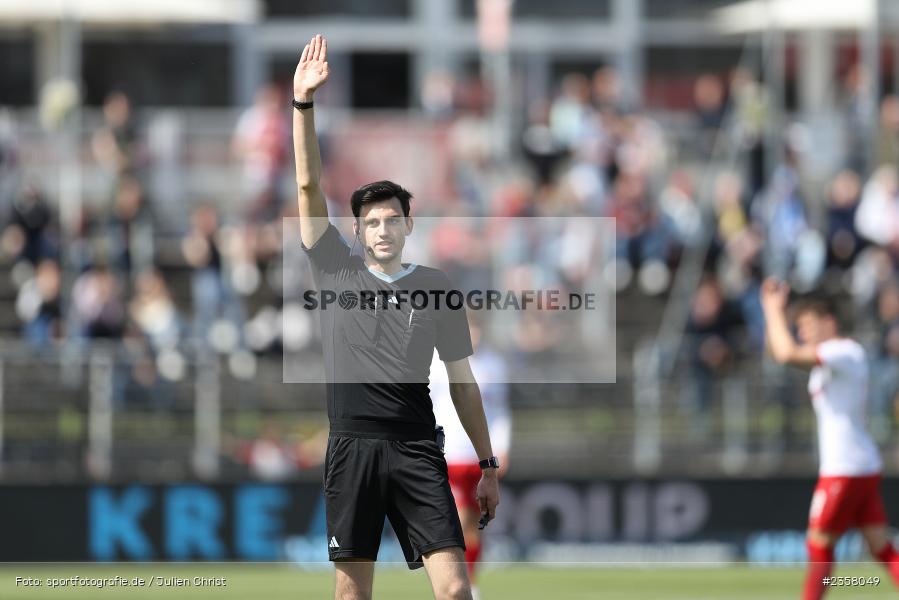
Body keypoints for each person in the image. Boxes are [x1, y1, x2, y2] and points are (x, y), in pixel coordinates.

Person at [293, 34, 499, 600]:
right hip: (352, 447)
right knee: (351, 593)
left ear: (409, 225)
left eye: (393, 219)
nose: (383, 229)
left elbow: (463, 381)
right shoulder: (336, 270)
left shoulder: (436, 288)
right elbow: (309, 185)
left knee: (455, 591)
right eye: (372, 222)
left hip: (416, 449)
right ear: (357, 231)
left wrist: (487, 463)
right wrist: (303, 106)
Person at [759, 277, 899, 600]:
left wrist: (770, 308)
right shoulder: (833, 358)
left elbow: (785, 353)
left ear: (829, 322)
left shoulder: (843, 351)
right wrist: (773, 313)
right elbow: (778, 348)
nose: (803, 332)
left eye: (808, 325)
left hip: (844, 468)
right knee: (882, 548)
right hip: (859, 465)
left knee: (818, 543)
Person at [429, 317, 510, 598]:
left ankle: (469, 583)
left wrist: (501, 447)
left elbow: (500, 411)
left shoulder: (493, 365)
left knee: (475, 524)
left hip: (476, 456)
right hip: (447, 454)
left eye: (476, 329)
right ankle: (456, 583)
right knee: (458, 520)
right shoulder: (436, 363)